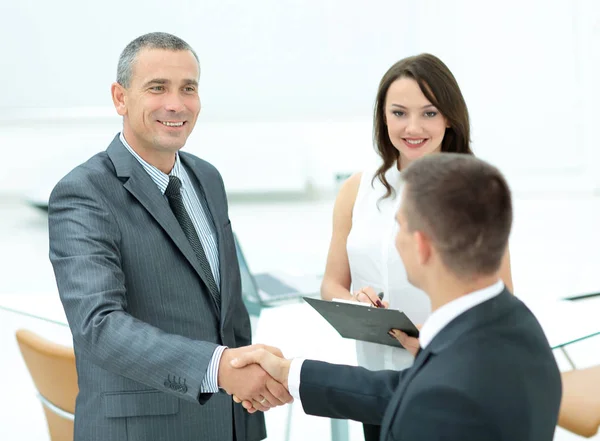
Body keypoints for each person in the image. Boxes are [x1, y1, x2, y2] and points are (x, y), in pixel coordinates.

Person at [48, 32, 290, 441]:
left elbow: (227, 313)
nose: (176, 104)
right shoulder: (84, 192)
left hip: (228, 423)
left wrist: (250, 395)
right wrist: (219, 367)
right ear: (120, 98)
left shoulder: (207, 177)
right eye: (157, 87)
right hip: (143, 429)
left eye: (188, 88)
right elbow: (99, 326)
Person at [232, 154, 562, 441]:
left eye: (399, 226)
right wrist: (291, 373)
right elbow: (399, 391)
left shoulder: (442, 395)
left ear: (421, 246)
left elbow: (422, 397)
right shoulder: (517, 324)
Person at [319, 53, 514, 441]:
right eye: (399, 113)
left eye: (428, 113)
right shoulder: (357, 190)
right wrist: (357, 304)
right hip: (374, 382)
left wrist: (438, 334)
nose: (412, 127)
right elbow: (331, 284)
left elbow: (502, 298)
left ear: (449, 118)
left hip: (450, 379)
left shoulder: (476, 190)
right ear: (383, 118)